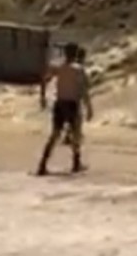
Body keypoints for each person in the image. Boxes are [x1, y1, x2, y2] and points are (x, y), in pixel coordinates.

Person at [36, 42, 93, 176]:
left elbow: (44, 79)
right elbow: (84, 90)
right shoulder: (78, 69)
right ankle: (76, 163)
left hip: (60, 103)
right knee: (76, 134)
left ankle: (42, 164)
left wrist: (42, 96)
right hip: (72, 104)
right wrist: (89, 107)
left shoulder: (59, 68)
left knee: (55, 135)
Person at [61, 47, 88, 147]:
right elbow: (82, 84)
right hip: (75, 97)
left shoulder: (74, 65)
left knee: (71, 119)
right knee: (77, 119)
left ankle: (69, 136)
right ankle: (73, 138)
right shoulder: (80, 67)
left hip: (68, 96)